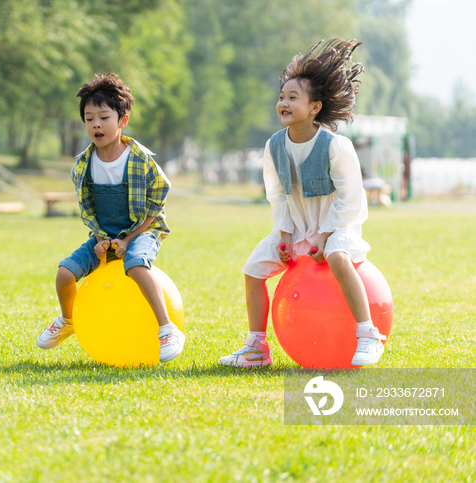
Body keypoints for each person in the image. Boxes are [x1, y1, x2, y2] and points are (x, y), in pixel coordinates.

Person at [219, 38, 386, 368]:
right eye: (281, 97)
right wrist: (283, 233)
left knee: (337, 256)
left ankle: (367, 333)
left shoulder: (335, 146)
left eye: (293, 97)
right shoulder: (274, 146)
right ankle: (256, 348)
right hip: (296, 228)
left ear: (314, 108)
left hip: (336, 225)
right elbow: (277, 195)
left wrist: (325, 235)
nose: (283, 102)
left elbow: (352, 198)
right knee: (253, 270)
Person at [36, 73, 186, 363]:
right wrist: (102, 239)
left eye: (104, 117)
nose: (96, 124)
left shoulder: (139, 159)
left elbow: (157, 204)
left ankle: (167, 328)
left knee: (136, 263)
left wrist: (129, 239)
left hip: (143, 231)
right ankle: (68, 320)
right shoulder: (83, 164)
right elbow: (88, 209)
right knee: (65, 272)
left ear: (122, 120)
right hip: (103, 235)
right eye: (89, 118)